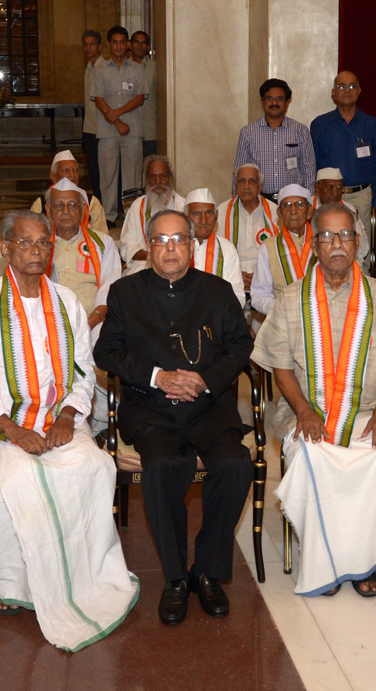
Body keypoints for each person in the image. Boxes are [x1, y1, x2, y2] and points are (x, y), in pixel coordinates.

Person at [0, 209, 139, 650]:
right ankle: (10, 579)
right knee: (23, 477)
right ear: (6, 249)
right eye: (26, 243)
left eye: (43, 243)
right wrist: (12, 429)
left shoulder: (67, 301)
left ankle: (84, 576)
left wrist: (69, 416)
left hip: (57, 421)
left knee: (94, 467)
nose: (35, 251)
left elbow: (83, 372)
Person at [94, 210, 254, 625]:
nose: (170, 249)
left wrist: (204, 380)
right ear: (149, 246)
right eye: (161, 241)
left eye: (178, 240)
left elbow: (240, 347)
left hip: (208, 407)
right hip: (151, 409)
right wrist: (157, 377)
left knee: (235, 464)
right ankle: (175, 579)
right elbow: (105, 352)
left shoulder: (217, 292)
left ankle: (207, 571)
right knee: (164, 465)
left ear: (192, 245)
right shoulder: (125, 292)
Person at [252, 203, 376, 597]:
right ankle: (323, 557)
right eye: (326, 236)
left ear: (358, 243)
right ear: (314, 245)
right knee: (314, 455)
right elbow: (279, 365)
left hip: (368, 411)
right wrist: (304, 410)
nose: (337, 244)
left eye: (344, 235)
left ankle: (365, 562)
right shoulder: (292, 299)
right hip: (307, 412)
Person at [310, 71, 376, 233]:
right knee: (328, 238)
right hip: (328, 197)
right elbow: (313, 165)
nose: (347, 90)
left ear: (359, 91)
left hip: (361, 197)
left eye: (352, 86)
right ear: (333, 93)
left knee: (360, 243)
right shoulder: (319, 125)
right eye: (341, 86)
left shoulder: (372, 125)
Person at [43, 177, 120, 335]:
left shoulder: (103, 243)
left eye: (72, 205)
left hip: (95, 321)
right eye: (58, 206)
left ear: (83, 209)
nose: (66, 211)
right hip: (49, 320)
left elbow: (110, 288)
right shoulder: (39, 244)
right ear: (48, 209)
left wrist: (93, 320)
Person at [91, 26, 148, 223]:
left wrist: (116, 114)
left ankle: (131, 215)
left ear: (128, 45)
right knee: (107, 175)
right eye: (114, 42)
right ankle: (108, 215)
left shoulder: (138, 69)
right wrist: (116, 121)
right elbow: (98, 99)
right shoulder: (99, 70)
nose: (119, 46)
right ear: (108, 45)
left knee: (132, 175)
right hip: (107, 131)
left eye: (122, 42)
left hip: (132, 130)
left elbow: (140, 98)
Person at [233, 78, 315, 198]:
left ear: (287, 102)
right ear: (262, 101)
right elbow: (239, 171)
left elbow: (309, 170)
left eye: (280, 99)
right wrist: (237, 202)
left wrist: (308, 200)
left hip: (292, 201)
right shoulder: (248, 133)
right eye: (270, 98)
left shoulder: (300, 131)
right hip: (259, 201)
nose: (274, 103)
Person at [250, 184, 315, 321]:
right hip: (281, 321)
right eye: (287, 205)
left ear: (309, 211)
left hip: (319, 319)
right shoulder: (268, 247)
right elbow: (259, 294)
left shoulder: (323, 243)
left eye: (299, 205)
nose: (293, 210)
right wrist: (282, 308)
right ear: (279, 213)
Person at [119, 154, 185, 275]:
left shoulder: (183, 207)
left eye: (163, 177)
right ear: (147, 180)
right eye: (153, 177)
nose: (158, 182)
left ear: (170, 178)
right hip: (143, 265)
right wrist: (154, 256)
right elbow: (127, 246)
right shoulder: (137, 206)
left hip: (177, 264)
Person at [217, 163, 278, 286]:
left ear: (260, 187)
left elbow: (280, 252)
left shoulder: (275, 211)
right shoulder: (222, 210)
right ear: (235, 186)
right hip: (231, 275)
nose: (246, 186)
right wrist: (236, 274)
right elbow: (217, 251)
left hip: (267, 277)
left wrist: (261, 276)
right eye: (242, 181)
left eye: (252, 181)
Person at [183, 188, 245, 307]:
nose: (204, 220)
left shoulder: (227, 249)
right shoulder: (175, 247)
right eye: (196, 214)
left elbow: (238, 296)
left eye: (209, 213)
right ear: (185, 216)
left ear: (216, 216)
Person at [29, 149, 107, 233]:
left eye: (75, 170)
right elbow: (31, 234)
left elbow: (101, 237)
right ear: (53, 176)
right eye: (66, 170)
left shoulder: (92, 202)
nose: (72, 175)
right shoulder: (41, 203)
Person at [311, 168, 370, 264]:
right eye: (330, 187)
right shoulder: (306, 209)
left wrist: (355, 220)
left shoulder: (349, 209)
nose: (335, 193)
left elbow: (363, 250)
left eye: (339, 188)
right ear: (318, 188)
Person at [81, 29, 107, 202]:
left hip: (102, 128)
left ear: (99, 47)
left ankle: (105, 203)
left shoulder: (105, 68)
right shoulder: (89, 67)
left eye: (92, 44)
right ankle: (97, 202)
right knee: (92, 169)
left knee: (103, 170)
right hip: (89, 127)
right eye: (86, 44)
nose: (89, 48)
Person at [130, 30, 156, 158]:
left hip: (148, 130)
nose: (140, 46)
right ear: (130, 45)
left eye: (143, 43)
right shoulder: (123, 67)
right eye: (136, 42)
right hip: (127, 130)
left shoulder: (156, 68)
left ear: (148, 47)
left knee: (147, 169)